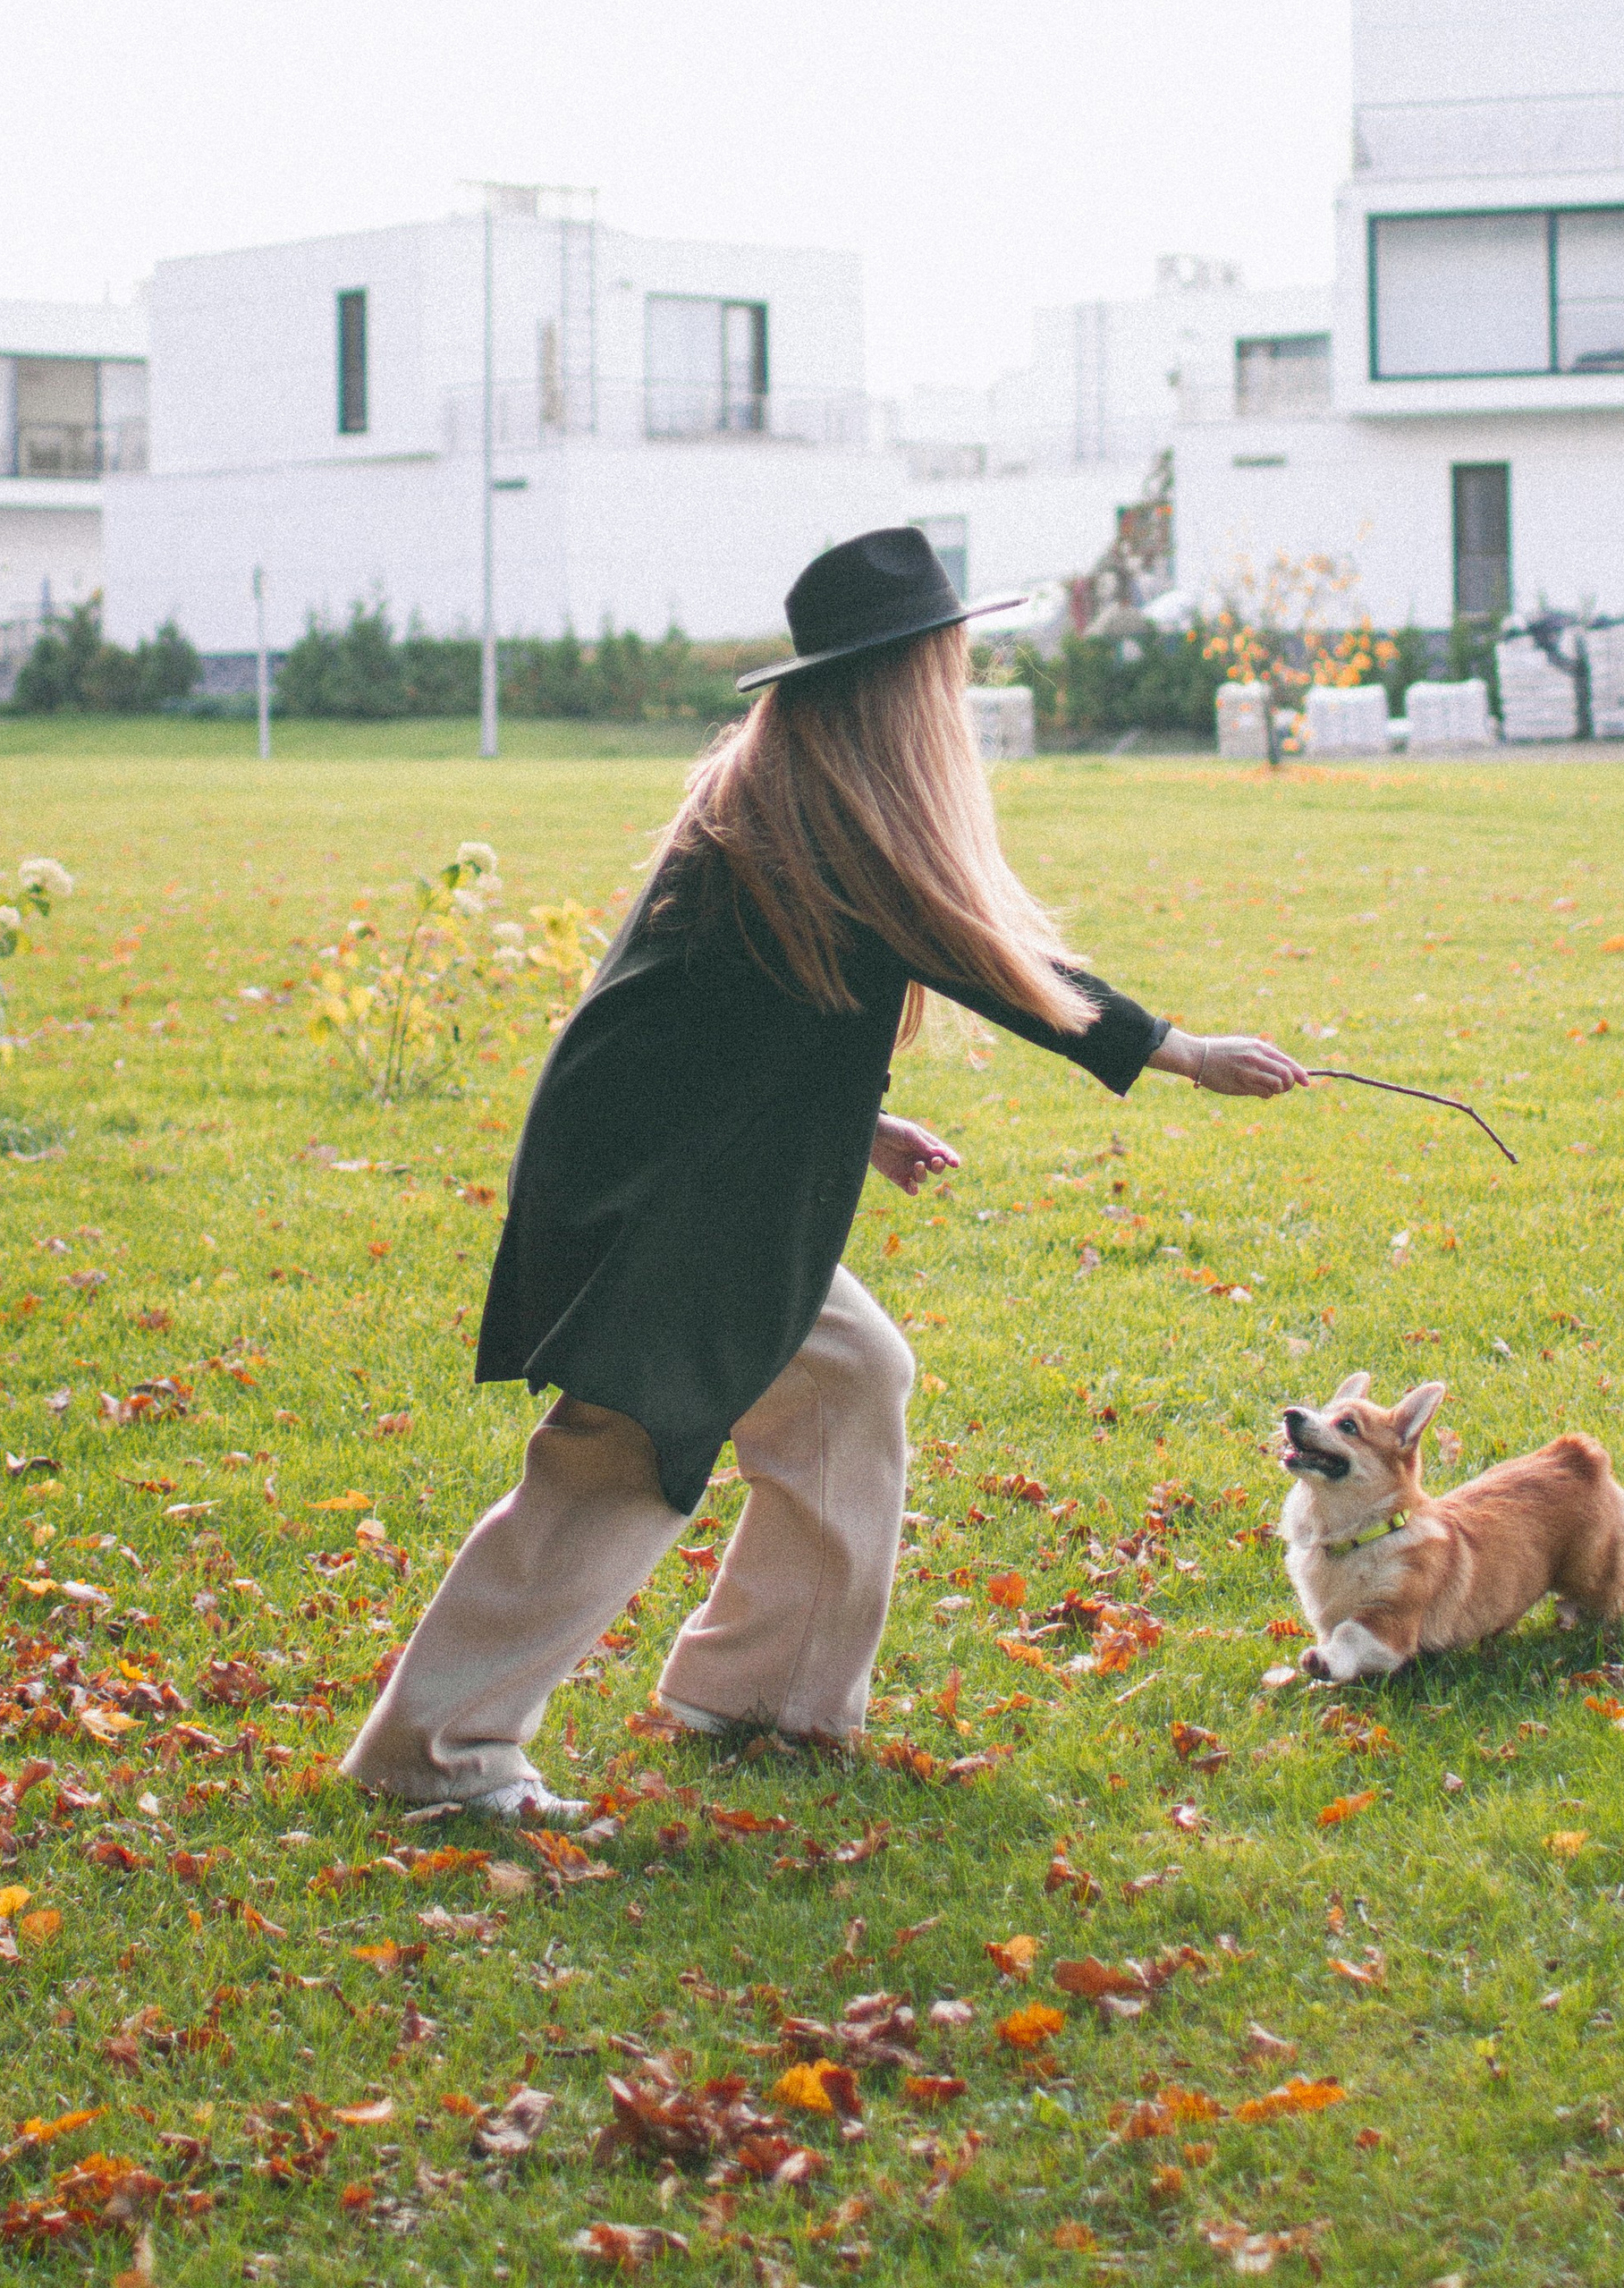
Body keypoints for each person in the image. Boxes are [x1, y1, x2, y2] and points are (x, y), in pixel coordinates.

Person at [344, 527, 1305, 1819]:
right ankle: (436, 1751)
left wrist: (856, 1127)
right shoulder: (816, 811)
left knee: (850, 1379)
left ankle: (768, 1694)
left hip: (699, 1167)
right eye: (945, 665)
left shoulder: (813, 798)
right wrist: (1181, 1052)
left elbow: (746, 1019)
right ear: (899, 681)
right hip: (659, 1189)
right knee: (618, 1458)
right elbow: (979, 958)